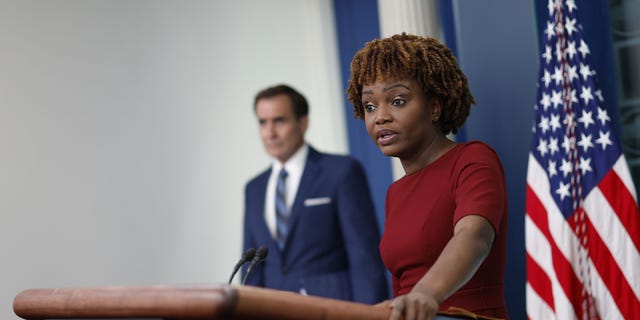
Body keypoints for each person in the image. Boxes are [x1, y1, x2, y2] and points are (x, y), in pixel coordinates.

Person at [346, 33, 509, 319]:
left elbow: (474, 236)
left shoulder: (473, 159)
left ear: (434, 106)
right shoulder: (395, 193)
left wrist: (425, 294)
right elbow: (402, 290)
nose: (380, 117)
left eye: (397, 101)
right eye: (370, 106)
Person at [241, 84, 389, 304]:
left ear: (303, 122)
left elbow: (364, 257)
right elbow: (251, 269)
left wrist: (370, 314)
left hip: (332, 308)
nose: (270, 132)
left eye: (279, 120)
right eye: (263, 122)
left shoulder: (341, 172)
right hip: (273, 310)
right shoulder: (254, 188)